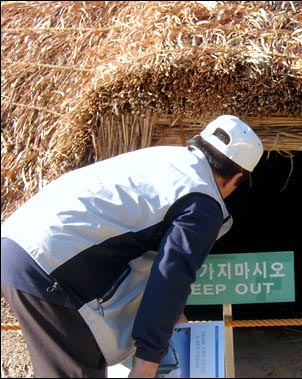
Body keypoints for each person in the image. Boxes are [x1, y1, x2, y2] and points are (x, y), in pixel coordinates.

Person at [1, 115, 263, 378]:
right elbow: (171, 277)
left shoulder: (164, 159)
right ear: (235, 178)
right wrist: (148, 362)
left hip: (15, 243)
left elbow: (144, 246)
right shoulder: (203, 202)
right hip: (49, 266)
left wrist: (173, 313)